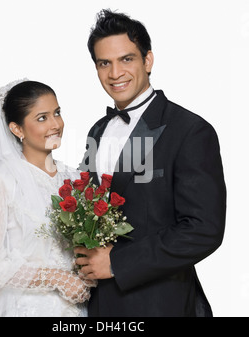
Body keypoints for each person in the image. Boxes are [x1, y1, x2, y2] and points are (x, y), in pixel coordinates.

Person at [75, 9, 226, 317]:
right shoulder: (98, 129)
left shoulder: (190, 131)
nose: (115, 72)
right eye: (105, 63)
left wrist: (117, 263)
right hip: (95, 305)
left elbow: (203, 229)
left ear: (148, 60)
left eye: (126, 59)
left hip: (159, 304)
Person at [0, 79, 96, 317]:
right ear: (17, 129)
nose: (55, 124)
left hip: (78, 308)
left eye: (57, 113)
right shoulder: (3, 181)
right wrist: (56, 278)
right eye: (42, 118)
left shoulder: (75, 178)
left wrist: (86, 273)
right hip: (29, 309)